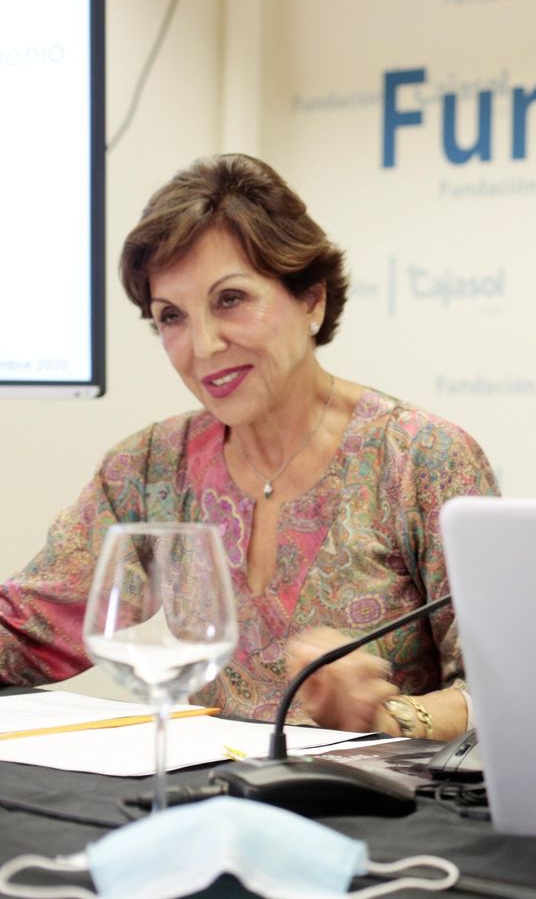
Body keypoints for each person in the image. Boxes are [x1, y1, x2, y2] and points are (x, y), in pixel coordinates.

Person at [0, 154, 497, 742]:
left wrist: (383, 718)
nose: (203, 345)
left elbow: (510, 693)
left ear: (311, 300)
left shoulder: (421, 459)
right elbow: (29, 633)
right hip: (211, 806)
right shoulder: (148, 468)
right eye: (171, 317)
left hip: (385, 815)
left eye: (230, 299)